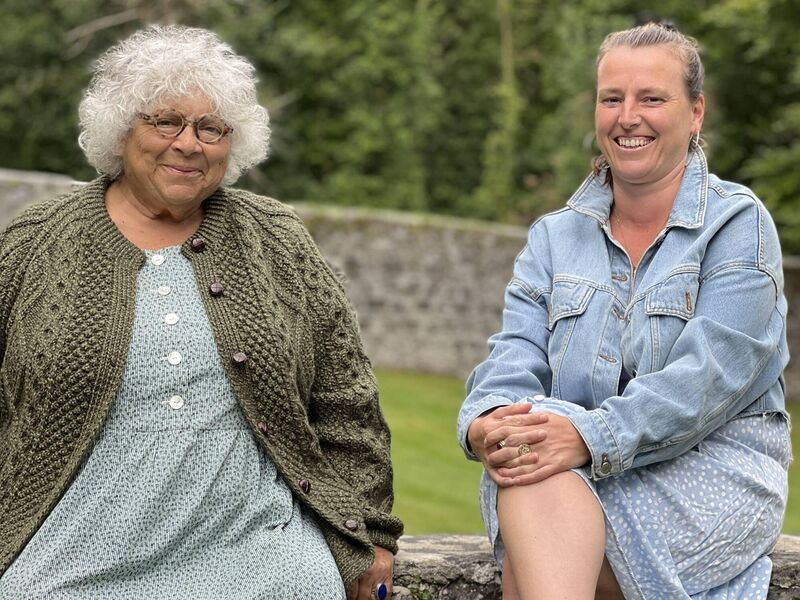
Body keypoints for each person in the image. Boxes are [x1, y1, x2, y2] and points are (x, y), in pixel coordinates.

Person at [0, 25, 401, 600]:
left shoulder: (277, 239)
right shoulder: (35, 242)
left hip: (262, 546)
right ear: (120, 130)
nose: (189, 144)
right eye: (166, 122)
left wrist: (372, 534)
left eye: (211, 128)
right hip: (73, 551)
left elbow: (347, 399)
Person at [458, 21, 790, 600]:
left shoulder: (738, 225)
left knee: (535, 499)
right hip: (569, 468)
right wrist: (489, 422)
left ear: (696, 113)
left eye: (651, 99)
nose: (627, 117)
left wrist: (587, 435)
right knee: (530, 465)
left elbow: (705, 381)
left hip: (712, 472)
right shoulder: (553, 238)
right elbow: (513, 357)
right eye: (612, 99)